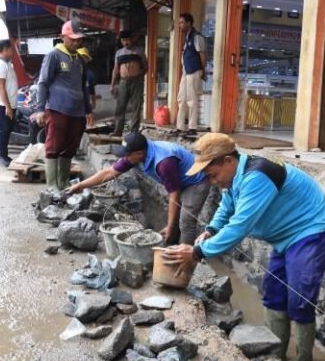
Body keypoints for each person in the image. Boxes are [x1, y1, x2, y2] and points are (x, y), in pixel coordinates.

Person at [164, 133, 325, 361]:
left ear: (228, 161)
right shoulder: (234, 178)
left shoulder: (258, 176)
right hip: (285, 236)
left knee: (300, 299)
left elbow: (239, 226)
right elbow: (227, 208)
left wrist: (197, 252)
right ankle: (275, 358)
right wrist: (211, 230)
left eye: (213, 174)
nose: (211, 181)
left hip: (309, 229)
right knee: (274, 294)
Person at [67, 132, 211, 246]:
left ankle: (184, 258)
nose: (125, 158)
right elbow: (109, 172)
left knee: (185, 221)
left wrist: (170, 226)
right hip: (178, 180)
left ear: (139, 154)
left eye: (127, 155)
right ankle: (172, 244)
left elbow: (174, 194)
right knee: (175, 218)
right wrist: (81, 185)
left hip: (196, 181)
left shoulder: (164, 162)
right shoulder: (136, 155)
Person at [35, 20, 92, 190]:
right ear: (63, 37)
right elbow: (43, 83)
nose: (76, 42)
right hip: (57, 109)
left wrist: (88, 110)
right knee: (54, 146)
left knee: (70, 147)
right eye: (73, 39)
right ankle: (52, 186)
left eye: (78, 39)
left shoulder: (80, 60)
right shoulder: (53, 56)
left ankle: (64, 183)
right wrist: (40, 109)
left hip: (77, 112)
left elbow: (84, 86)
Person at [110, 30, 146, 136]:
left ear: (131, 40)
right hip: (123, 82)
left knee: (136, 106)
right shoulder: (119, 53)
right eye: (123, 40)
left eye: (127, 40)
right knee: (120, 106)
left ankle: (134, 132)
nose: (125, 42)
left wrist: (138, 75)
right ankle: (117, 131)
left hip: (137, 81)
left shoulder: (139, 51)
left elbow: (145, 67)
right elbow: (115, 69)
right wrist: (112, 84)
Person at [0, 39, 18, 167]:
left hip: (9, 103)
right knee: (3, 130)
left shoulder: (7, 64)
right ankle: (3, 157)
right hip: (2, 104)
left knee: (7, 129)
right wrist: (7, 106)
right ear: (5, 50)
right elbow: (1, 87)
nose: (12, 52)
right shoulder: (0, 64)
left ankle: (1, 155)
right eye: (11, 49)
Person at [177, 13, 207, 135]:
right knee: (181, 98)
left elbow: (202, 54)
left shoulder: (196, 37)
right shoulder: (187, 37)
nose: (180, 25)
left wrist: (203, 71)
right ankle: (180, 127)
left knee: (192, 99)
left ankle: (192, 127)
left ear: (189, 23)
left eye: (182, 22)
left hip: (194, 70)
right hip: (186, 71)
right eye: (179, 23)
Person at [76, 46, 96, 158]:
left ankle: (76, 148)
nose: (83, 60)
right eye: (81, 57)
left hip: (83, 104)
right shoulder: (71, 72)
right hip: (72, 104)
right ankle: (71, 150)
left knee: (81, 127)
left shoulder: (89, 74)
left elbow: (91, 90)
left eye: (85, 58)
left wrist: (92, 104)